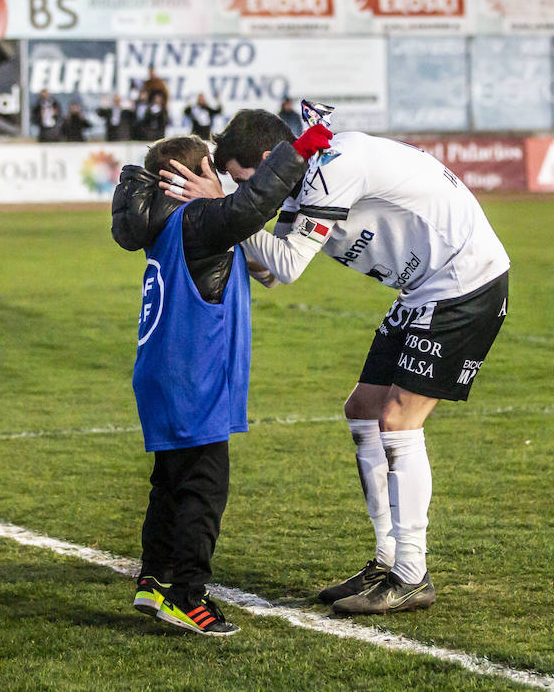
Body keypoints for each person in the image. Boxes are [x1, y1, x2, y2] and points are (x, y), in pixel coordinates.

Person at [172, 107, 510, 616]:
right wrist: (212, 223)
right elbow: (266, 267)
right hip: (423, 289)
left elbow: (283, 265)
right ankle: (387, 559)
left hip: (465, 280)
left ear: (268, 161)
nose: (250, 197)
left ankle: (412, 575)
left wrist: (224, 209)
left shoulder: (335, 165)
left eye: (247, 183)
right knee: (362, 410)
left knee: (397, 420)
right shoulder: (303, 180)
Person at [112, 124, 331, 636]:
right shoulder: (197, 221)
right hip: (195, 376)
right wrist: (297, 150)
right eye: (210, 167)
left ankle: (154, 579)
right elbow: (250, 207)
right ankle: (189, 595)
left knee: (170, 482)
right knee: (204, 489)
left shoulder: (164, 227)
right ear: (193, 173)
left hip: (165, 373)